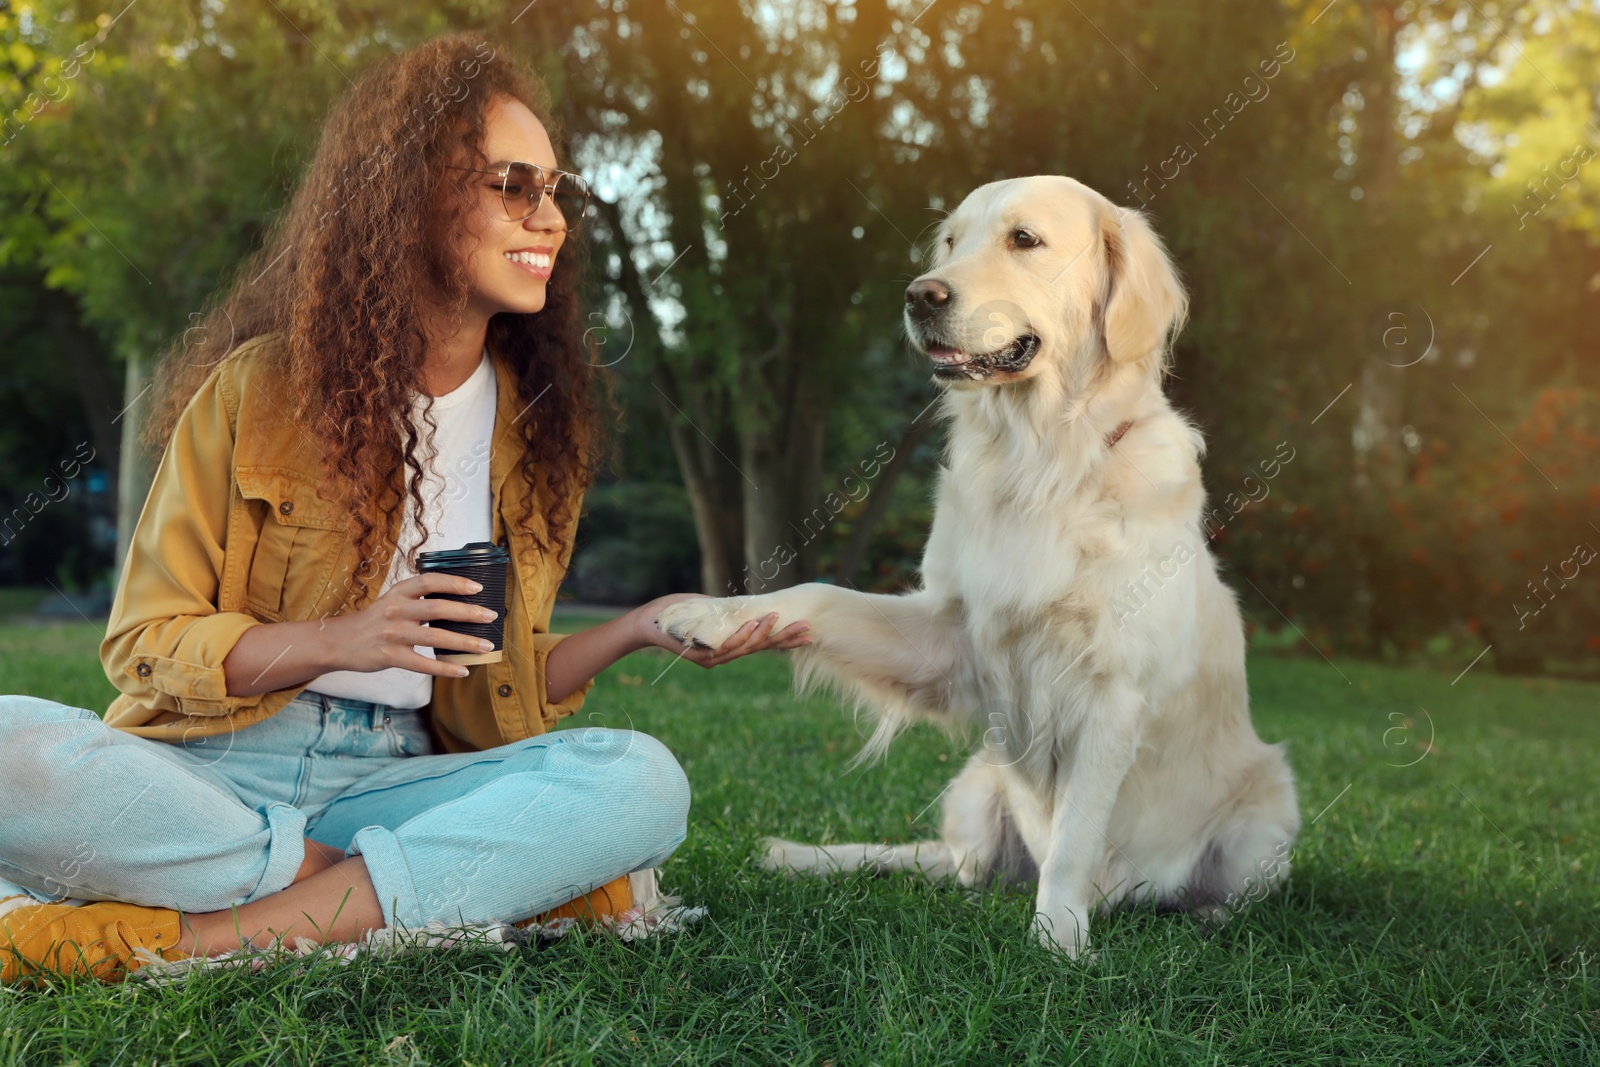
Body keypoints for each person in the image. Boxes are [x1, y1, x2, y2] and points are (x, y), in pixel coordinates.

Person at [0, 33, 808, 985]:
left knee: (642, 780)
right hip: (209, 769)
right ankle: (396, 891)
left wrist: (637, 627)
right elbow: (144, 639)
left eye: (559, 192)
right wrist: (344, 638)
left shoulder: (543, 429)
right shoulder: (256, 391)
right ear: (412, 191)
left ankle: (195, 941)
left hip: (393, 783)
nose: (548, 217)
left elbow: (500, 675)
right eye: (515, 184)